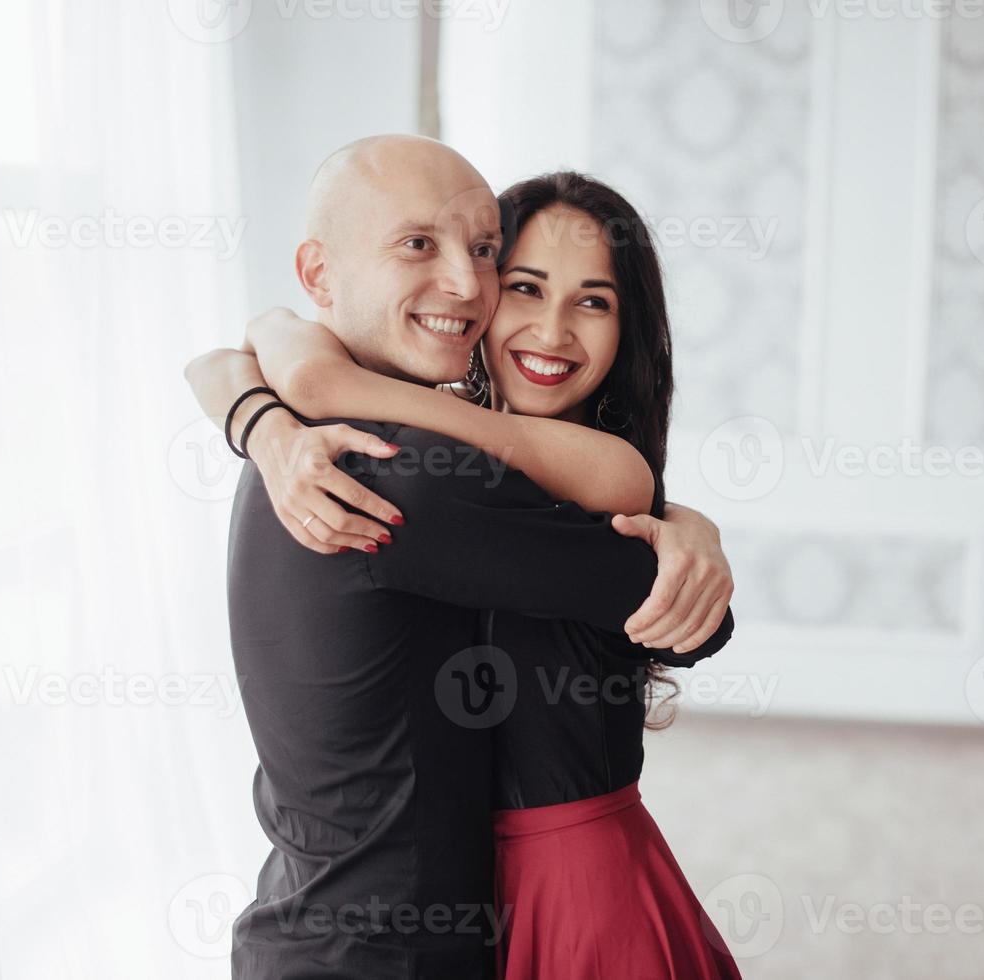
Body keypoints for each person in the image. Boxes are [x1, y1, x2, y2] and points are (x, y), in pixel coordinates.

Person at [185, 136, 736, 978]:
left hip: (498, 911)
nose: (466, 284)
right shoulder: (401, 474)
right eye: (522, 285)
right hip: (390, 946)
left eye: (593, 301)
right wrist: (264, 401)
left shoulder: (372, 447)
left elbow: (690, 613)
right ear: (322, 272)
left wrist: (259, 401)